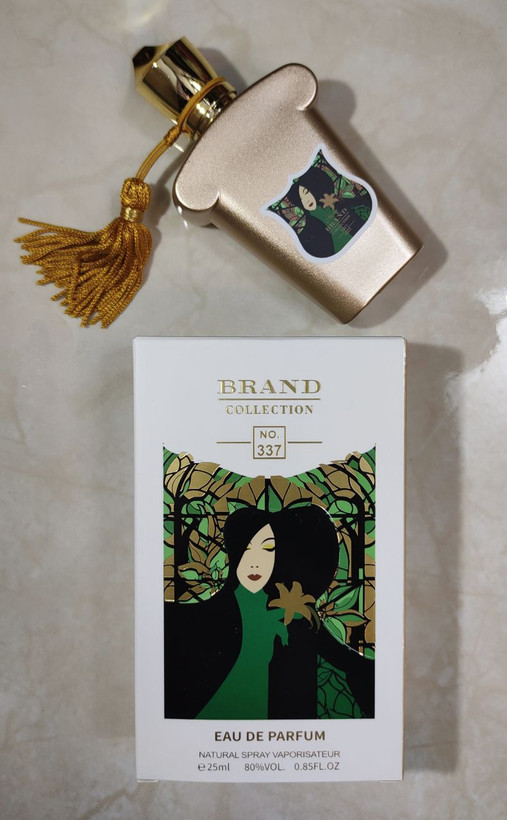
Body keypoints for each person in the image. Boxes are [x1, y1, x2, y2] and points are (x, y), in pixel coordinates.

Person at [164, 506, 374, 719]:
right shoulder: (199, 617)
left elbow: (342, 660)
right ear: (235, 552)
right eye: (248, 549)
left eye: (268, 549)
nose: (256, 563)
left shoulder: (293, 610)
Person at [286, 166, 372, 258]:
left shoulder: (335, 202)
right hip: (345, 257)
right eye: (301, 199)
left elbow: (363, 204)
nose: (306, 200)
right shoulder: (310, 225)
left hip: (367, 236)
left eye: (306, 192)